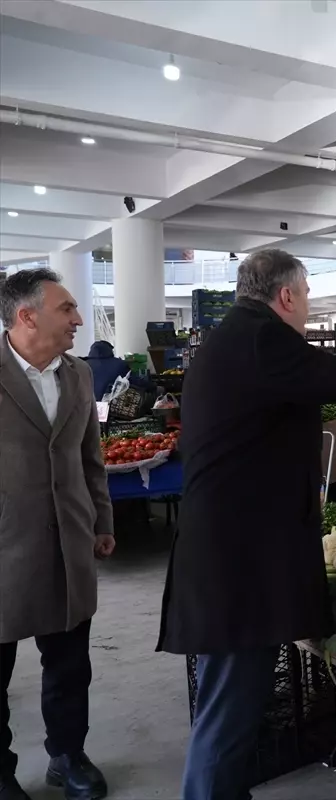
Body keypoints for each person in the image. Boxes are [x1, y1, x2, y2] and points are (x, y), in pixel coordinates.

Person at [157, 250, 336, 800]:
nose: (309, 304)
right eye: (308, 294)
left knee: (231, 709)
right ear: (286, 295)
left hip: (232, 551)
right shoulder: (262, 339)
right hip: (240, 564)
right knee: (228, 712)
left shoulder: (235, 337)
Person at [1, 269, 116, 800]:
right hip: (5, 547)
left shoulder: (78, 374)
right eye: (66, 308)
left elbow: (90, 456)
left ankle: (67, 755)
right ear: (27, 316)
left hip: (69, 543)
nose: (78, 319)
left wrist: (101, 521)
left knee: (70, 665)